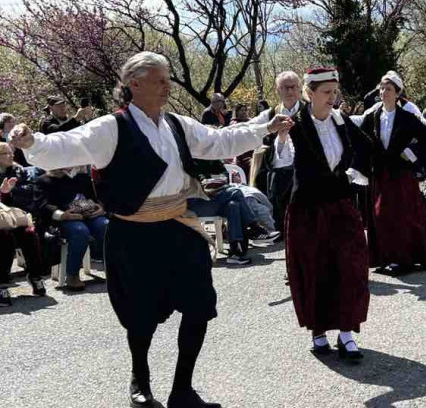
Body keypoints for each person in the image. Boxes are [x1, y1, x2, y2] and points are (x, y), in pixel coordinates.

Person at [9, 51, 292, 408]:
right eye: (160, 80)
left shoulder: (178, 125)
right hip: (134, 234)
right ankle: (139, 382)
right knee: (140, 316)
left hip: (178, 225)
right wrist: (33, 142)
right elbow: (69, 145)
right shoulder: (112, 127)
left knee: (200, 305)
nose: (167, 86)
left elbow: (218, 141)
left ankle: (183, 390)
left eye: (167, 78)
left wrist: (264, 128)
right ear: (134, 85)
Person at [282, 67, 372, 361]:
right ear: (309, 93)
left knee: (351, 267)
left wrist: (355, 171)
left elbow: (366, 146)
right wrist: (280, 137)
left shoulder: (341, 120)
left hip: (341, 205)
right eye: (326, 92)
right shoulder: (295, 124)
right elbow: (279, 158)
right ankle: (318, 331)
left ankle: (346, 334)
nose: (333, 98)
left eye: (335, 92)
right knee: (315, 269)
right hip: (308, 209)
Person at [358, 72, 426, 276]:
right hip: (380, 174)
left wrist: (411, 153)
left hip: (401, 175)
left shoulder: (407, 117)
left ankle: (404, 259)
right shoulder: (373, 116)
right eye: (381, 89)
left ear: (398, 93)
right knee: (380, 216)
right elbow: (362, 140)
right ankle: (385, 257)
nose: (383, 92)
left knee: (402, 216)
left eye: (388, 89)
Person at [244, 71, 303, 237]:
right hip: (277, 171)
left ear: (299, 89)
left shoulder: (309, 112)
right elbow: (248, 128)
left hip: (303, 170)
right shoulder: (270, 114)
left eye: (293, 87)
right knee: (278, 208)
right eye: (285, 87)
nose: (289, 91)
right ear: (278, 90)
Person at [36, 166, 108, 291]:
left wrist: (101, 208)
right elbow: (42, 205)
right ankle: (72, 274)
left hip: (88, 214)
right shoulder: (44, 180)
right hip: (64, 218)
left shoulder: (81, 177)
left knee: (105, 225)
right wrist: (63, 215)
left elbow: (93, 197)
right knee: (80, 231)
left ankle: (114, 269)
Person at [0, 143, 48, 303]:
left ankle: (35, 276)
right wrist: (2, 193)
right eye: (6, 153)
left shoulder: (18, 170)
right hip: (1, 220)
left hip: (16, 215)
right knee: (5, 238)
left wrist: (11, 191)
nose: (11, 155)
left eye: (11, 152)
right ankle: (2, 284)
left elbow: (31, 190)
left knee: (29, 234)